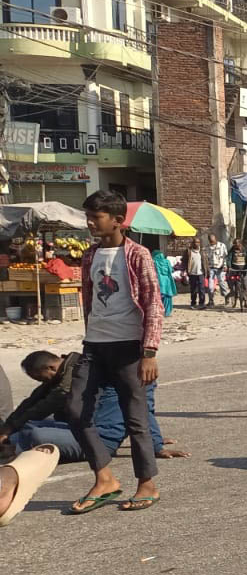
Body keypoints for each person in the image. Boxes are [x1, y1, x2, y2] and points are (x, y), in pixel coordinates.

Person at [65, 190, 163, 514]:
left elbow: (153, 302)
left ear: (118, 220)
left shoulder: (137, 255)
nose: (90, 223)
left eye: (97, 217)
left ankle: (147, 484)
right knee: (75, 409)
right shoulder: (90, 256)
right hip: (94, 345)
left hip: (128, 348)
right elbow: (90, 298)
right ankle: (105, 478)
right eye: (88, 217)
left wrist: (149, 351)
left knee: (135, 419)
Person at [3, 349, 187, 462]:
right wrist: (8, 428)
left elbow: (145, 412)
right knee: (30, 427)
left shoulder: (131, 381)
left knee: (36, 433)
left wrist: (156, 445)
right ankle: (12, 445)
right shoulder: (91, 371)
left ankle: (13, 449)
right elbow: (33, 401)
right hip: (85, 428)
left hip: (101, 441)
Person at [227, 238, 247, 311]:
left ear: (240, 243)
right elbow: (229, 258)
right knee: (235, 286)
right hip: (235, 270)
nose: (235, 245)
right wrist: (229, 266)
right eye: (234, 244)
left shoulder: (246, 249)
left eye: (236, 243)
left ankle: (245, 301)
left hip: (244, 270)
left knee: (245, 285)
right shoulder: (232, 250)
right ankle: (235, 299)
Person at [152, 244, 176, 317]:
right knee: (168, 297)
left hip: (158, 281)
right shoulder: (167, 261)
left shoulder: (154, 262)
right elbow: (171, 270)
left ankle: (160, 312)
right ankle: (167, 312)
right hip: (167, 281)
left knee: (159, 297)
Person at [206, 233, 227, 307]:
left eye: (213, 241)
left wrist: (225, 265)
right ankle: (211, 301)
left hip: (220, 268)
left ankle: (226, 298)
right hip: (211, 268)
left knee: (222, 284)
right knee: (210, 286)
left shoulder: (222, 246)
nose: (212, 242)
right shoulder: (207, 247)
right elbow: (206, 259)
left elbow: (225, 257)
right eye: (210, 241)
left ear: (216, 239)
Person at [184, 238, 204, 308]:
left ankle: (202, 303)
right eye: (195, 242)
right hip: (192, 273)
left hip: (201, 273)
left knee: (201, 289)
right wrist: (185, 270)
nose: (196, 244)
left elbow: (205, 261)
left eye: (198, 242)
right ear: (192, 243)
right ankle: (193, 303)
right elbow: (184, 261)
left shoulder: (202, 251)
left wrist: (207, 271)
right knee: (193, 289)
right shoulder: (188, 251)